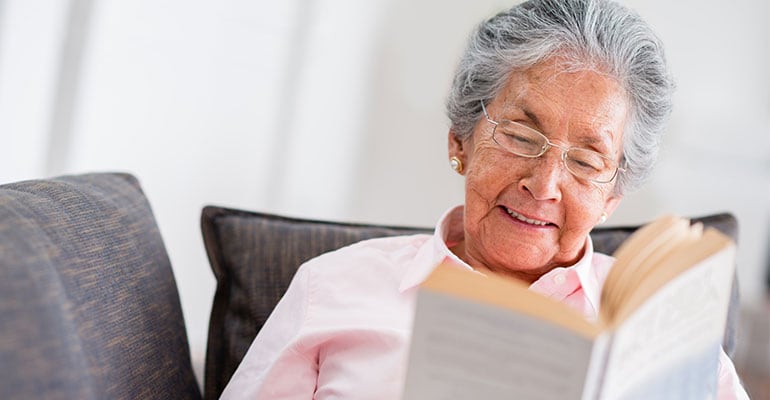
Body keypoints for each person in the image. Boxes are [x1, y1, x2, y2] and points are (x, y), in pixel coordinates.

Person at [221, 0, 749, 398]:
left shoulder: (663, 327)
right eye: (521, 135)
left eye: (587, 162)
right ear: (461, 140)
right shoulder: (332, 287)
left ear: (613, 196)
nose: (543, 186)